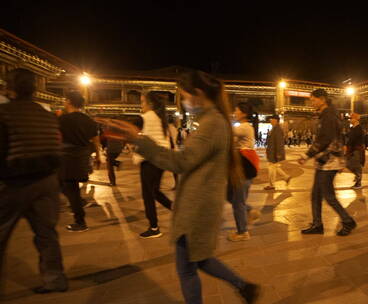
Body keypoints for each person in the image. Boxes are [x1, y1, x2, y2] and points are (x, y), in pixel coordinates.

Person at [98, 70, 260, 304]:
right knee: (197, 261)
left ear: (198, 94)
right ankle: (244, 286)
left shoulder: (212, 123)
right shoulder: (213, 121)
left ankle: (243, 286)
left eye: (183, 95)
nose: (183, 102)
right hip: (199, 205)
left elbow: (180, 162)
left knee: (188, 268)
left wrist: (138, 139)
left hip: (197, 208)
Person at [0, 68, 68, 294]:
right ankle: (55, 279)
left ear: (9, 88)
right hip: (48, 181)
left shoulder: (4, 113)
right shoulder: (47, 114)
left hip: (15, 183)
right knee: (47, 234)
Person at [299, 89, 357, 236]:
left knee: (328, 195)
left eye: (313, 100)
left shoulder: (329, 115)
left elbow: (325, 139)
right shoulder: (326, 114)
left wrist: (307, 155)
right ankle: (317, 224)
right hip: (324, 161)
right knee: (316, 194)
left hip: (330, 161)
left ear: (322, 99)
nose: (311, 103)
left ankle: (348, 221)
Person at [58, 91, 101, 232]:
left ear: (69, 101)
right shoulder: (88, 120)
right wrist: (99, 156)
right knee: (71, 187)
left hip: (68, 157)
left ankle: (80, 221)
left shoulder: (63, 119)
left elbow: (56, 137)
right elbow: (95, 139)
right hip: (82, 156)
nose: (64, 103)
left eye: (65, 100)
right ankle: (78, 207)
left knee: (69, 187)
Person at [133, 92, 173, 238]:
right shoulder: (160, 119)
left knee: (148, 194)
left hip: (150, 160)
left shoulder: (146, 117)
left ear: (150, 104)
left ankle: (154, 227)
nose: (141, 105)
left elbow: (130, 125)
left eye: (142, 102)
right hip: (161, 160)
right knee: (155, 191)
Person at [227, 102, 261, 241]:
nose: (235, 112)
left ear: (244, 113)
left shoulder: (245, 127)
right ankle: (249, 210)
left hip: (243, 167)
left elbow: (226, 132)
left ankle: (242, 232)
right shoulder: (242, 127)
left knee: (237, 201)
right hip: (238, 168)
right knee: (228, 195)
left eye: (236, 110)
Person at [264, 114, 291, 191]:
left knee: (271, 168)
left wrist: (279, 154)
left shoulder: (278, 129)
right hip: (272, 152)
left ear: (275, 120)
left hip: (274, 153)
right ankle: (286, 177)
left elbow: (279, 143)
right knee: (274, 167)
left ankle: (272, 185)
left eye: (271, 119)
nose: (270, 120)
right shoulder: (274, 128)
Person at [345, 113, 365, 189]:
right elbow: (349, 137)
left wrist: (348, 148)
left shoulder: (359, 128)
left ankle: (358, 183)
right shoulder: (353, 128)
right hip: (352, 149)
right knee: (348, 164)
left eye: (351, 118)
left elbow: (353, 139)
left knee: (357, 166)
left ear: (356, 119)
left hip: (357, 150)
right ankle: (357, 177)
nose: (350, 120)